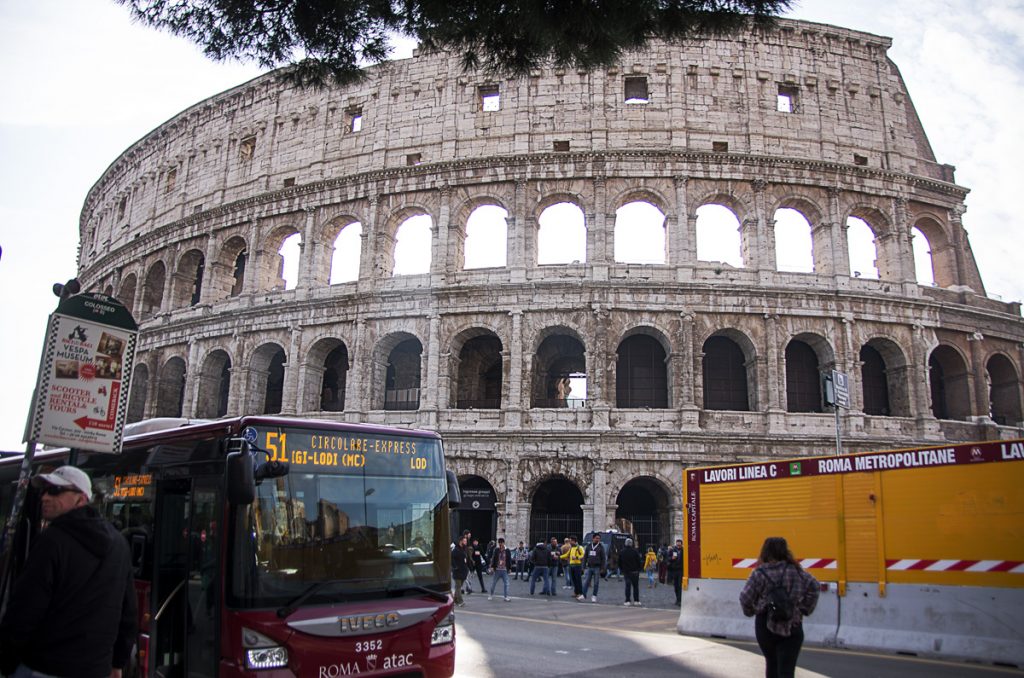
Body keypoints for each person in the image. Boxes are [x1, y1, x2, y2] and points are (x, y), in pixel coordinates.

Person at [0, 466, 137, 678]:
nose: (44, 497)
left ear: (81, 499)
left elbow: (24, 610)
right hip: (95, 669)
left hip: (45, 668)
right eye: (43, 491)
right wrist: (118, 663)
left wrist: (7, 661)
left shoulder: (52, 541)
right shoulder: (119, 543)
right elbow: (127, 613)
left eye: (55, 491)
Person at [739, 537, 820, 678]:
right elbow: (814, 586)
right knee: (787, 671)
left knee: (771, 664)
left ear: (765, 552)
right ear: (785, 551)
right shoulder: (797, 571)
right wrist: (804, 608)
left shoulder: (759, 573)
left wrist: (752, 611)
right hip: (792, 624)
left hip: (765, 626)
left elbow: (745, 598)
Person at [580, 533, 606, 602]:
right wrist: (583, 566)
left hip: (597, 567)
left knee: (596, 583)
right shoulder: (589, 546)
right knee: (586, 582)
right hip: (589, 567)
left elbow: (603, 558)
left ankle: (594, 596)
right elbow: (585, 557)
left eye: (599, 538)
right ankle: (583, 594)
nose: (598, 540)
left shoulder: (601, 547)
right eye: (596, 538)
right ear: (593, 538)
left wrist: (603, 568)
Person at [618, 538, 643, 606]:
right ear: (632, 544)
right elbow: (639, 561)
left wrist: (622, 569)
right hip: (634, 571)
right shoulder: (635, 551)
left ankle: (627, 600)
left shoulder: (622, 552)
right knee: (635, 587)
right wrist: (639, 569)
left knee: (628, 586)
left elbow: (619, 562)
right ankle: (636, 600)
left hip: (626, 571)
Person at [487, 537, 513, 601]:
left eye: (501, 543)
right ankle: (491, 595)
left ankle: (506, 597)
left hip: (504, 569)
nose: (500, 544)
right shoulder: (496, 550)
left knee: (506, 583)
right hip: (497, 569)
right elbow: (493, 558)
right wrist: (492, 567)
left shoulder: (507, 550)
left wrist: (509, 568)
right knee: (494, 583)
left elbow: (509, 560)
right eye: (499, 543)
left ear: (504, 543)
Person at [451, 535, 470, 607]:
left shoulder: (464, 549)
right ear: (460, 541)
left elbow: (466, 560)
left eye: (466, 541)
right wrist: (455, 567)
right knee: (458, 587)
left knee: (458, 586)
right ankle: (460, 601)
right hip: (457, 571)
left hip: (463, 571)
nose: (466, 542)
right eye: (464, 541)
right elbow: (451, 559)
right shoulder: (456, 550)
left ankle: (454, 600)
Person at [667, 538, 684, 606]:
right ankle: (677, 599)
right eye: (677, 545)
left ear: (681, 545)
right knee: (676, 586)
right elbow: (667, 559)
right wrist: (671, 558)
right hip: (674, 570)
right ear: (676, 544)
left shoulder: (684, 551)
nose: (678, 546)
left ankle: (680, 600)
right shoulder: (672, 550)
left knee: (680, 586)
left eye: (679, 545)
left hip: (681, 570)